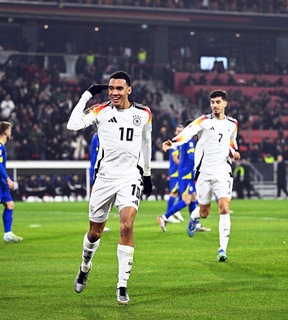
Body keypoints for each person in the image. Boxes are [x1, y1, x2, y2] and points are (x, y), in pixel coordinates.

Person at [67, 71, 152, 305]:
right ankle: (85, 267)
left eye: (119, 89)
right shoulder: (101, 110)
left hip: (130, 178)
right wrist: (87, 95)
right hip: (104, 179)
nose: (114, 93)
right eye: (111, 89)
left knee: (127, 225)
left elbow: (146, 142)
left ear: (129, 90)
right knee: (95, 233)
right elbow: (73, 124)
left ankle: (122, 286)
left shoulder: (143, 113)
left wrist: (147, 174)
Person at [162, 89, 240, 262]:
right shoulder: (203, 121)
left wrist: (234, 152)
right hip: (204, 173)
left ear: (225, 103)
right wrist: (172, 142)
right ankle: (194, 217)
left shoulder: (232, 123)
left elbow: (231, 141)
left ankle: (222, 249)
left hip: (223, 171)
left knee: (224, 208)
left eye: (218, 102)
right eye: (212, 102)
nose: (215, 105)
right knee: (204, 212)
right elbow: (187, 133)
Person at [158, 121, 211, 233]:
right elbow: (191, 157)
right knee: (186, 200)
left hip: (188, 174)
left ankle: (196, 224)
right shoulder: (190, 141)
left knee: (193, 199)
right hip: (186, 174)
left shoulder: (186, 140)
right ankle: (164, 217)